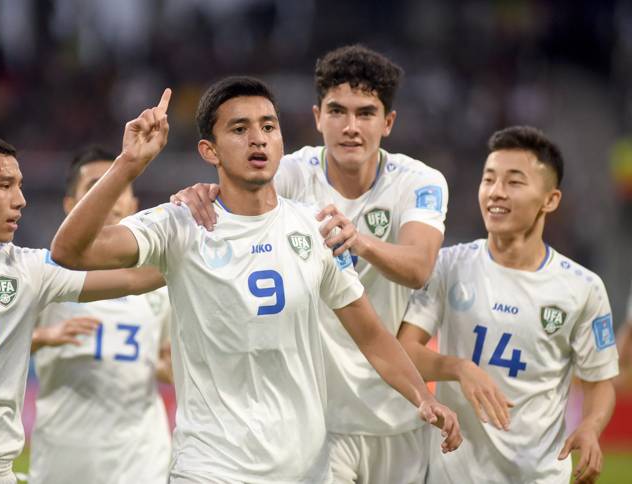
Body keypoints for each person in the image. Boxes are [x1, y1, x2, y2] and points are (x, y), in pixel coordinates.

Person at [50, 77, 461, 483]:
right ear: (209, 151)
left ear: (282, 141)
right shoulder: (182, 225)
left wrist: (423, 398)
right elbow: (70, 251)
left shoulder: (313, 229)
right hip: (211, 468)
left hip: (304, 468)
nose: (258, 139)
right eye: (239, 129)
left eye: (268, 127)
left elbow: (372, 337)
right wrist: (129, 164)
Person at [171, 45, 449, 483]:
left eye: (366, 113)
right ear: (318, 117)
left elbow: (418, 267)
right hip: (322, 417)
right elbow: (233, 190)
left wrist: (360, 242)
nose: (350, 127)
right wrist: (197, 193)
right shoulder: (290, 174)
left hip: (400, 412)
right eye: (337, 111)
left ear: (389, 122)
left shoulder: (420, 182)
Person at [0, 132, 164, 484]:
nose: (20, 200)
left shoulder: (30, 270)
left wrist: (210, 236)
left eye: (19, 186)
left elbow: (137, 278)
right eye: (4, 186)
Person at [398, 126, 618, 484]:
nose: (496, 192)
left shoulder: (583, 288)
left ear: (550, 200)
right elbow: (404, 351)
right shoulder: (449, 265)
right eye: (489, 179)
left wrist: (591, 427)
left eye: (514, 182)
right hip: (454, 474)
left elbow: (600, 380)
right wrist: (458, 367)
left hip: (540, 475)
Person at [28, 147, 173, 484]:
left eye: (118, 187)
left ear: (134, 205)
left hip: (142, 463)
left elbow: (177, 363)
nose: (108, 197)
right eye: (95, 186)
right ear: (70, 206)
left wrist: (170, 368)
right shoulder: (40, 275)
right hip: (63, 462)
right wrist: (40, 338)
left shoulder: (161, 283)